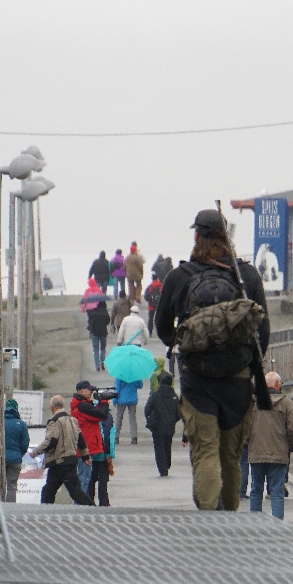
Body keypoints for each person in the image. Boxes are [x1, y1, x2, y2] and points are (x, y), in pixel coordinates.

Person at [155, 208, 270, 511]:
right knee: (230, 458)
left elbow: (163, 328)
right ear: (227, 237)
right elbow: (263, 329)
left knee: (205, 450)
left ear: (196, 236)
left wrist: (187, 345)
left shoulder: (179, 277)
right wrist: (244, 361)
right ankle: (230, 518)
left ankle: (208, 519)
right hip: (238, 380)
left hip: (197, 381)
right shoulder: (246, 276)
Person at [246, 372, 293, 519]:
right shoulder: (286, 403)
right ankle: (277, 526)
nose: (281, 385)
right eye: (280, 383)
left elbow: (244, 428)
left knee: (256, 490)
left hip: (256, 454)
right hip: (279, 454)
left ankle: (255, 523)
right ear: (276, 384)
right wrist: (286, 444)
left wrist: (249, 443)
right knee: (277, 492)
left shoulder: (253, 402)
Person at [30, 395, 95, 505]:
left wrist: (36, 452)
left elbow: (51, 441)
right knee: (54, 490)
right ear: (63, 405)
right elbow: (81, 439)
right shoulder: (73, 420)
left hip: (59, 462)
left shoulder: (54, 422)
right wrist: (85, 456)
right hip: (70, 460)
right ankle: (92, 507)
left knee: (55, 491)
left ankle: (93, 508)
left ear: (52, 407)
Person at [0, 398, 30, 502]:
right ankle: (11, 509)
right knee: (12, 486)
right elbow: (24, 444)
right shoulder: (21, 424)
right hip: (15, 459)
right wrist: (18, 454)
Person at [70, 381, 110, 479]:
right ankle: (83, 494)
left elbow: (95, 414)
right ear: (82, 391)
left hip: (84, 444)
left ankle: (84, 494)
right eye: (90, 390)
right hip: (86, 444)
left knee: (86, 476)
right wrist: (104, 402)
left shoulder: (80, 404)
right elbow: (102, 415)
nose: (91, 392)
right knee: (85, 477)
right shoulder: (83, 406)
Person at [144, 372, 180, 476]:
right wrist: (173, 420)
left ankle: (162, 469)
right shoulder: (174, 396)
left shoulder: (155, 395)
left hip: (157, 425)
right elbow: (179, 413)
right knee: (168, 445)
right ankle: (167, 463)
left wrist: (150, 418)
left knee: (159, 447)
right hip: (170, 425)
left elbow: (147, 409)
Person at [88, 413, 116, 506]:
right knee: (103, 480)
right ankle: (103, 502)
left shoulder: (89, 413)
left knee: (91, 479)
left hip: (91, 453)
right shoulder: (107, 417)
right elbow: (109, 437)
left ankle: (89, 500)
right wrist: (110, 454)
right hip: (103, 454)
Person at [113, 376, 141, 445]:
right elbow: (140, 385)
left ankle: (116, 437)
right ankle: (134, 437)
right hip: (132, 399)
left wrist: (114, 400)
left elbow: (117, 388)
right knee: (132, 418)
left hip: (121, 399)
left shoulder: (120, 375)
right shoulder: (135, 374)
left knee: (119, 418)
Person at [87, 300, 110, 372]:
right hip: (103, 332)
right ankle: (102, 362)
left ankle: (97, 366)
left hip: (95, 332)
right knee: (103, 348)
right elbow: (107, 321)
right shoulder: (105, 313)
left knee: (95, 349)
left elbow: (89, 321)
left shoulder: (93, 312)